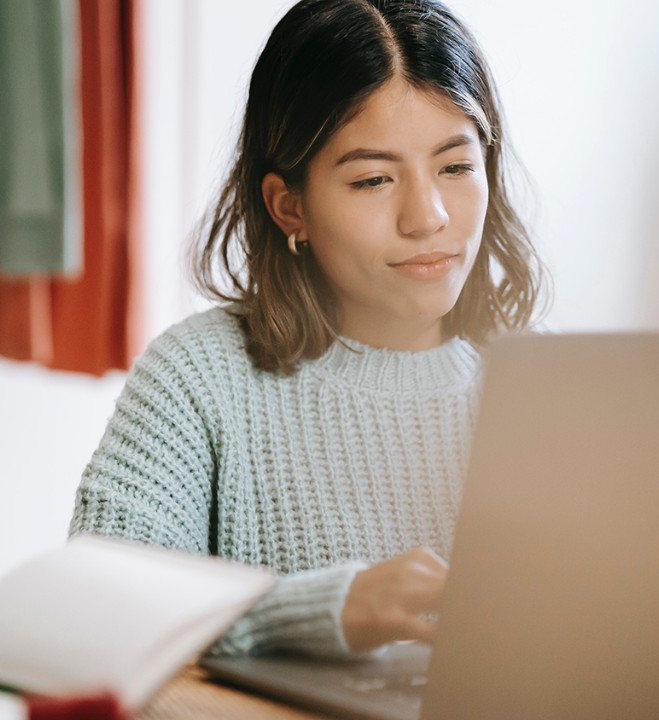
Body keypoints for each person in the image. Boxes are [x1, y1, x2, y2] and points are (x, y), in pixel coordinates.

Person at [69, 0, 546, 658]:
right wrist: (325, 610)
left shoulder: (544, 389)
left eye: (456, 167)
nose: (428, 216)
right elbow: (89, 614)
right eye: (374, 178)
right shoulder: (198, 380)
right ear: (289, 206)